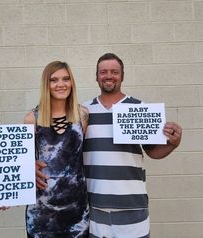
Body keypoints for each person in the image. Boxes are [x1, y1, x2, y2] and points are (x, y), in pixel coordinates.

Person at [82, 53, 182, 238]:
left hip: (132, 206)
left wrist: (173, 143)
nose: (109, 76)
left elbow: (153, 152)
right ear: (96, 77)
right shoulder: (83, 111)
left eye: (114, 72)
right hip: (95, 207)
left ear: (122, 76)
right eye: (103, 72)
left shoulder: (138, 108)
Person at [24, 61, 89, 238]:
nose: (61, 84)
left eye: (66, 79)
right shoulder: (32, 119)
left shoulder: (82, 115)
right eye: (54, 80)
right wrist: (6, 193)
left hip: (77, 212)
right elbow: (22, 163)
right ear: (46, 85)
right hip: (41, 213)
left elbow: (85, 157)